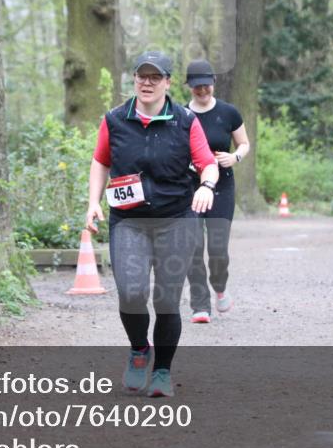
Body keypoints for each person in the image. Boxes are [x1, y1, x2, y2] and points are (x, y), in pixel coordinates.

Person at [85, 51, 219, 398]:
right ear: (134, 80)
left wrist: (206, 186)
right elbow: (100, 161)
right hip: (129, 221)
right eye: (141, 76)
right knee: (131, 293)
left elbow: (208, 163)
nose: (146, 82)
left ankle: (162, 371)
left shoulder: (185, 120)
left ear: (167, 83)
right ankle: (139, 348)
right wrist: (92, 203)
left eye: (154, 77)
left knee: (166, 299)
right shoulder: (115, 120)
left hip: (175, 220)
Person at [183, 59, 249, 324]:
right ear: (189, 87)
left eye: (206, 86)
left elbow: (243, 143)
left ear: (213, 83)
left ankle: (219, 286)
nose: (202, 91)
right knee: (192, 246)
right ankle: (200, 304)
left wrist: (235, 158)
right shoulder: (181, 114)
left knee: (218, 248)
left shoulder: (228, 112)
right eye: (196, 87)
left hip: (222, 187)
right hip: (189, 187)